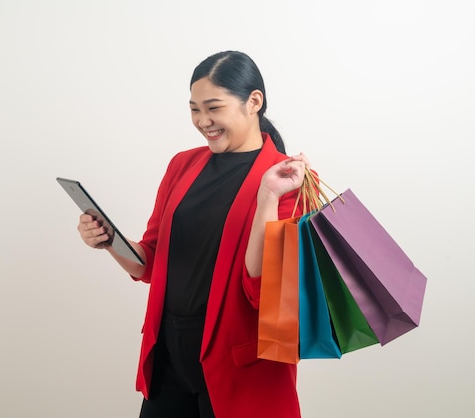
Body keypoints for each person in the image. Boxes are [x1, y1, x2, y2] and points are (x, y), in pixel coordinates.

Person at [77, 50, 311, 418]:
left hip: (242, 366)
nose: (203, 121)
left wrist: (268, 196)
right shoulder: (182, 165)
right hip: (169, 356)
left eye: (213, 108)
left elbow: (263, 288)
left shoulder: (288, 180)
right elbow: (150, 264)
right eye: (194, 109)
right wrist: (110, 242)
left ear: (254, 102)